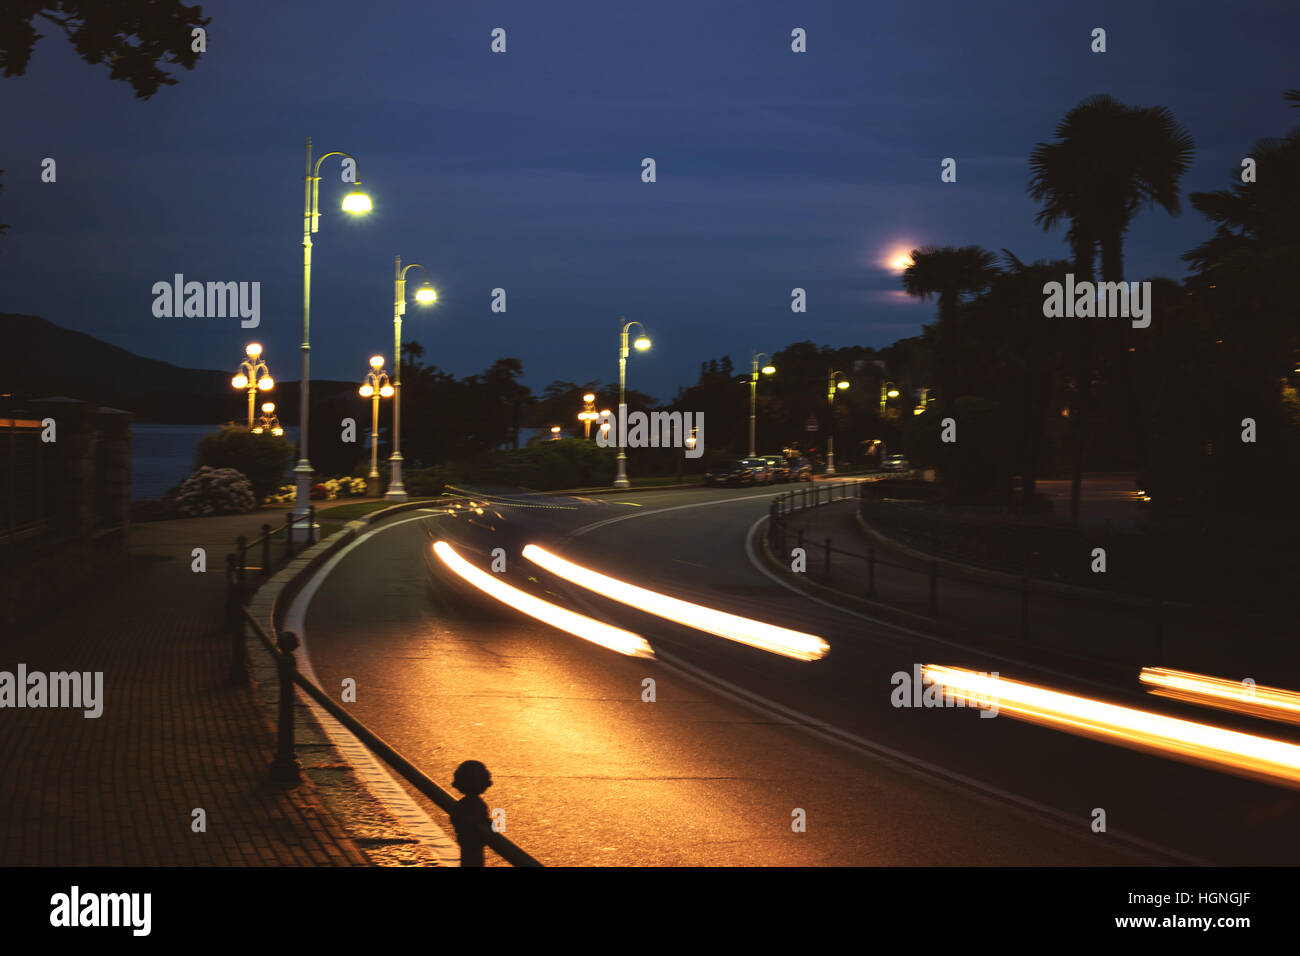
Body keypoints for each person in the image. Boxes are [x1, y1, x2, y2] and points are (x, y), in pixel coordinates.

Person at [450, 760, 493, 867]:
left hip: (467, 844)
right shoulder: (478, 805)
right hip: (473, 846)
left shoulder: (461, 804)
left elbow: (456, 819)